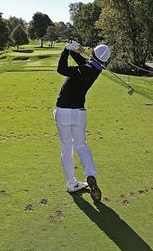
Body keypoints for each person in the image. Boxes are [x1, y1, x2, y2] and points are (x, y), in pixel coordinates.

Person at [53, 41, 110, 203]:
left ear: (92, 54)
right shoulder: (94, 69)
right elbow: (83, 61)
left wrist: (65, 50)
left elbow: (61, 69)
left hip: (63, 112)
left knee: (66, 147)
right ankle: (90, 174)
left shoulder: (86, 68)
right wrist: (74, 50)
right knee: (81, 145)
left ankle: (72, 183)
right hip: (79, 113)